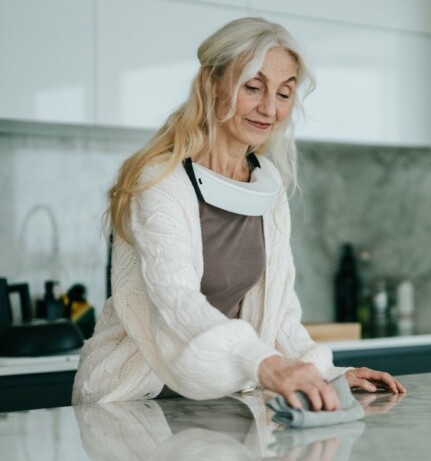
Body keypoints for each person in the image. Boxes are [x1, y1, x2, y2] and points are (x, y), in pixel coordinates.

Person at [72, 17, 405, 410]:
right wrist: (265, 364)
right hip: (130, 400)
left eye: (284, 93)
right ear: (210, 81)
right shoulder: (160, 180)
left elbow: (279, 315)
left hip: (220, 400)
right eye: (253, 87)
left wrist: (324, 374)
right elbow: (177, 301)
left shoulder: (267, 185)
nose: (270, 108)